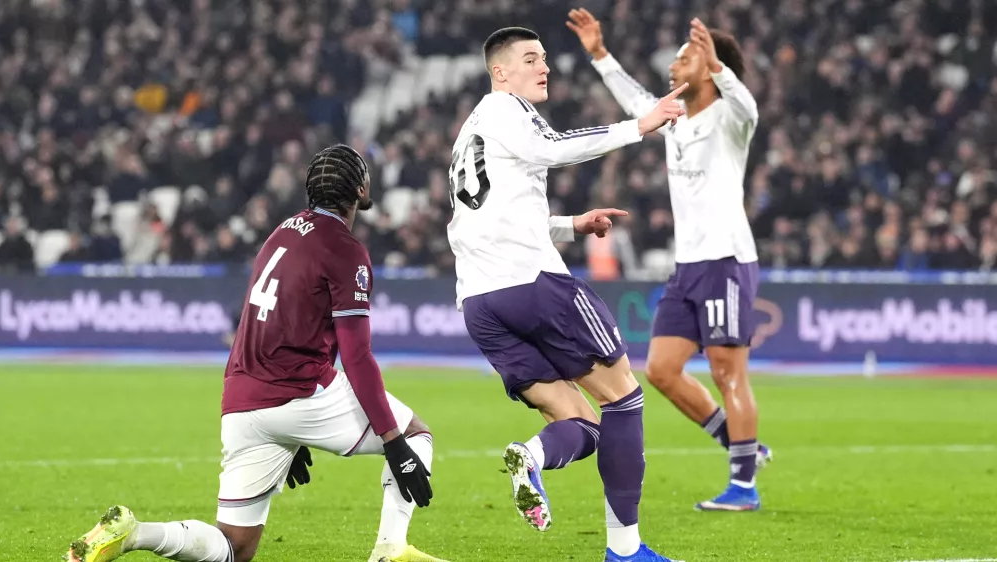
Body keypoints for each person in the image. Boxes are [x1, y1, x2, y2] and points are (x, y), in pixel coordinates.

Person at [66, 145, 447, 562]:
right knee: (416, 434)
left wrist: (292, 435)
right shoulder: (346, 249)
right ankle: (390, 550)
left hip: (243, 400)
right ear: (360, 188)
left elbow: (267, 322)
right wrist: (392, 442)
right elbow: (357, 357)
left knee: (234, 548)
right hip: (299, 392)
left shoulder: (282, 232)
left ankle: (135, 533)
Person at [448, 26, 687, 562]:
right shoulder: (509, 110)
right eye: (531, 59)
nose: (545, 67)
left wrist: (569, 224)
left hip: (481, 302)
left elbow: (494, 216)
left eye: (546, 59)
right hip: (532, 285)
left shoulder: (472, 132)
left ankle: (529, 456)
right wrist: (639, 127)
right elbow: (553, 149)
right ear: (500, 72)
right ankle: (625, 552)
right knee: (624, 397)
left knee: (582, 422)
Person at [568, 9, 771, 512]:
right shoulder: (675, 119)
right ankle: (742, 446)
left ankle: (743, 486)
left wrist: (718, 65)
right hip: (688, 267)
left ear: (709, 67)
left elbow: (750, 106)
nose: (673, 65)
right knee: (660, 370)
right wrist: (598, 53)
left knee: (728, 374)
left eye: (685, 56)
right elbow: (636, 101)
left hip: (726, 260)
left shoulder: (729, 116)